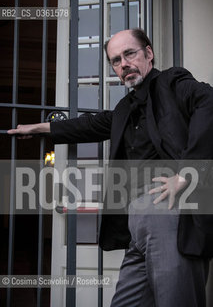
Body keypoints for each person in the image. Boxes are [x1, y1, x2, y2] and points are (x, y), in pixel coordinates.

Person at [8, 28, 213, 306]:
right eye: (116, 60)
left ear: (148, 53)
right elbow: (88, 125)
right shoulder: (124, 109)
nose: (123, 64)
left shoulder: (172, 82)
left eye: (129, 54)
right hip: (135, 222)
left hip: (170, 211)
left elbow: (209, 102)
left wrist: (189, 172)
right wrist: (40, 127)